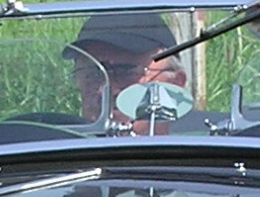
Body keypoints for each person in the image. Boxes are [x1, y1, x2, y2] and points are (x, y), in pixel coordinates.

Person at [61, 12, 189, 125]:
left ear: (175, 84)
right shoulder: (58, 142)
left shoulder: (197, 141)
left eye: (126, 73)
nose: (103, 90)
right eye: (93, 75)